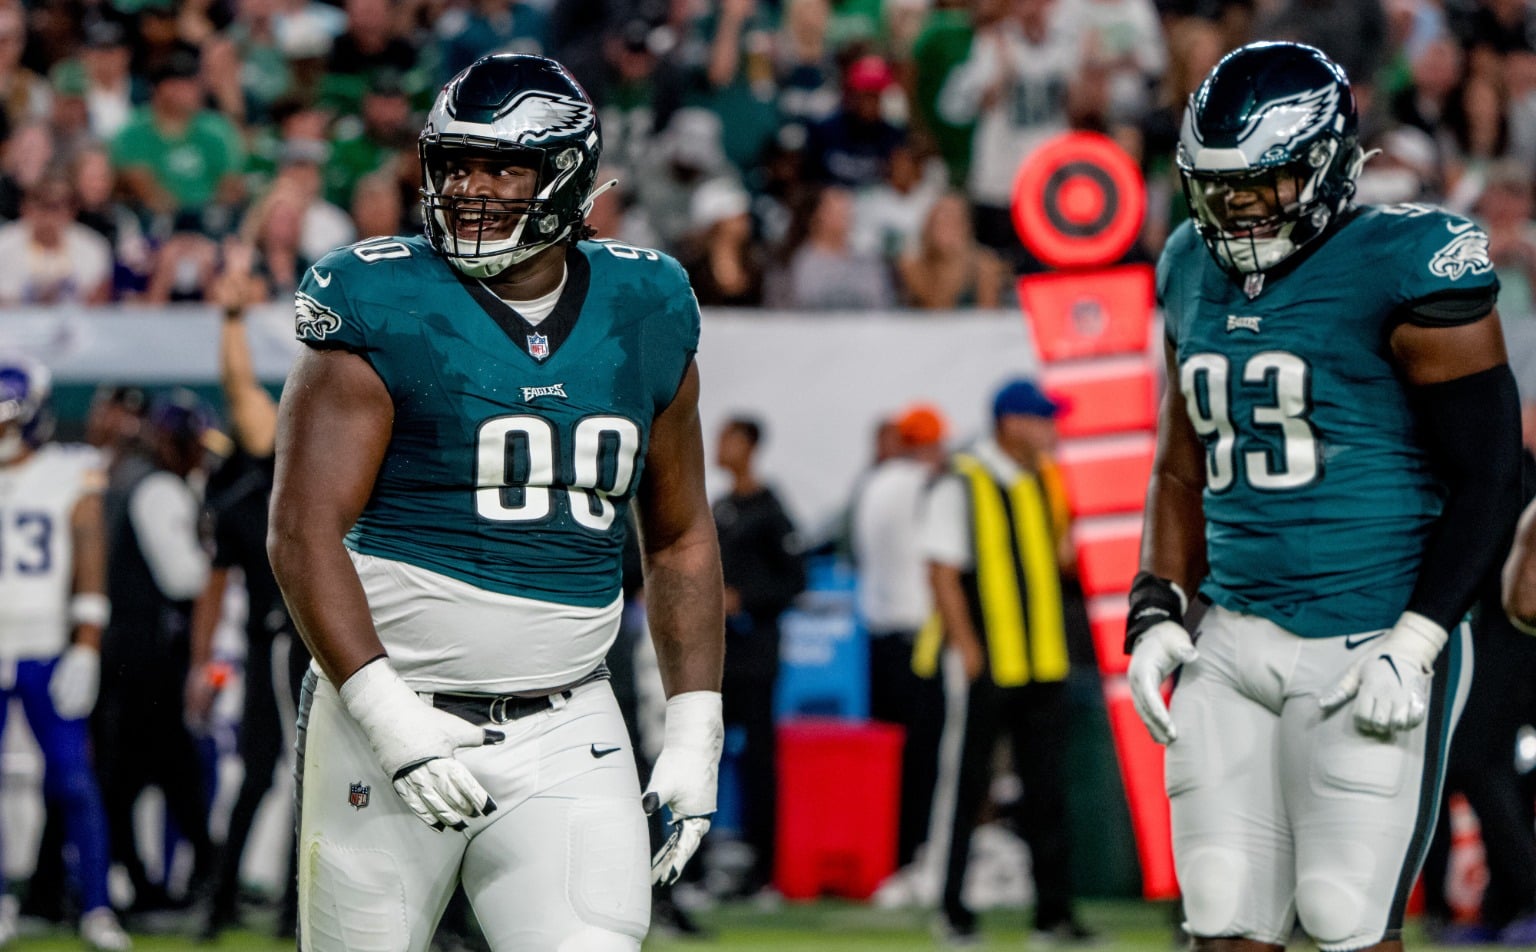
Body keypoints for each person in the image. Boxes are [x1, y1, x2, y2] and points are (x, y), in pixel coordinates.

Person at [267, 53, 725, 951]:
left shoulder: (647, 301)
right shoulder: (379, 296)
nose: (470, 188)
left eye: (503, 166)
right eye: (455, 164)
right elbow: (299, 532)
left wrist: (694, 730)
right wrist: (388, 717)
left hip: (569, 720)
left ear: (566, 175)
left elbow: (678, 539)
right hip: (390, 719)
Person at [1128, 42, 1523, 952]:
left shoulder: (1408, 259)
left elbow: (1490, 475)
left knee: (1345, 917)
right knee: (1222, 913)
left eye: (1259, 184)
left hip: (1369, 632)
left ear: (1328, 164)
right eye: (1215, 184)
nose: (1233, 207)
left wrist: (1418, 641)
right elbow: (1180, 463)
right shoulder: (1188, 262)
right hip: (1232, 630)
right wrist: (1154, 607)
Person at [923, 379, 1090, 945]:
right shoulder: (964, 480)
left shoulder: (1045, 480)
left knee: (1048, 790)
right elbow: (943, 569)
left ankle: (1054, 913)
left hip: (1042, 659)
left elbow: (1063, 561)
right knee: (967, 789)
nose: (1052, 429)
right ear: (1011, 422)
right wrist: (967, 648)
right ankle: (952, 907)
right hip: (988, 661)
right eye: (1043, 419)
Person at [190, 241, 311, 941]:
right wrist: (232, 323)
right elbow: (244, 393)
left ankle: (266, 902)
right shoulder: (259, 479)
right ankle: (240, 900)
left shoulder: (260, 480)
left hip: (314, 632)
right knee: (279, 770)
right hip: (283, 632)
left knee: (299, 776)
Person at [0, 357, 130, 951]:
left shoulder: (69, 472)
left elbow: (89, 557)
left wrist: (86, 645)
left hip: (45, 647)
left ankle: (97, 906)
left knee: (75, 782)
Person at [95, 387, 218, 915]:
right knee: (154, 772)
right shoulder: (159, 489)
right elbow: (183, 575)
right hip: (146, 656)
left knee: (136, 774)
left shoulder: (132, 478)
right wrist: (218, 561)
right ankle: (202, 879)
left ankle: (152, 881)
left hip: (128, 650)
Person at [850, 403, 949, 872]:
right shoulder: (927, 486)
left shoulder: (872, 484)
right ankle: (917, 855)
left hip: (877, 634)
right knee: (924, 755)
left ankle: (884, 856)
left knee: (885, 758)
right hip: (920, 636)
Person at [710, 415, 805, 898]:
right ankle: (696, 867)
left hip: (757, 656)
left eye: (727, 438)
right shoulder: (720, 507)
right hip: (716, 655)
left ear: (749, 446)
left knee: (759, 760)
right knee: (706, 752)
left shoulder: (770, 509)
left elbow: (796, 580)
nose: (717, 446)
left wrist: (744, 598)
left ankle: (764, 871)